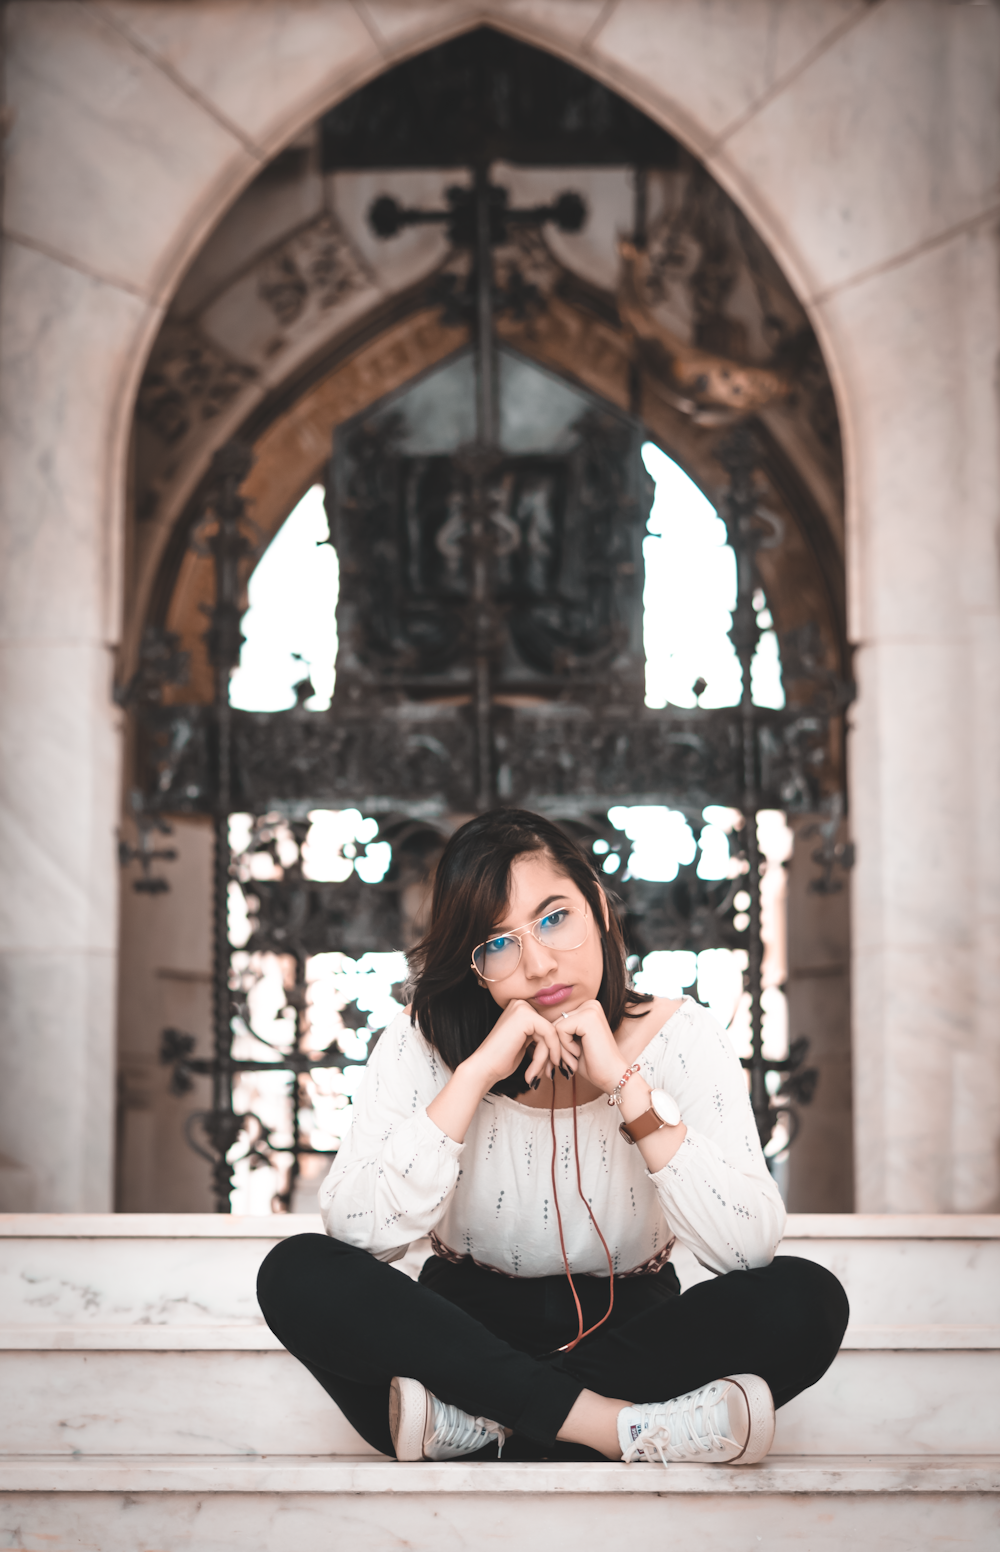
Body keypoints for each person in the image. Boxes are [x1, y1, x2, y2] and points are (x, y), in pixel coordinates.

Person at [257, 809, 848, 1467]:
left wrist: (627, 1090)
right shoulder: (419, 1044)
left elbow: (746, 1248)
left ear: (596, 905)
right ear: (474, 967)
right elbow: (360, 1234)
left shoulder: (683, 1036)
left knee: (809, 1300)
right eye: (497, 943)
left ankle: (490, 1425)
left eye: (553, 917)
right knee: (296, 1271)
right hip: (459, 1338)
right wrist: (476, 1073)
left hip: (630, 1339)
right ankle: (614, 1429)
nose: (537, 964)